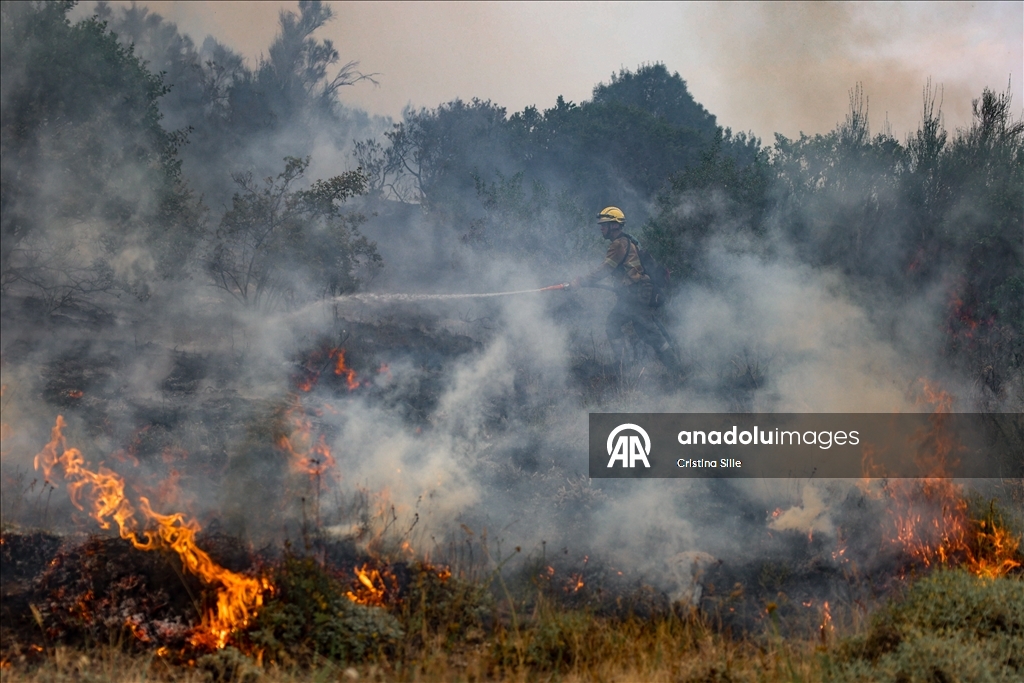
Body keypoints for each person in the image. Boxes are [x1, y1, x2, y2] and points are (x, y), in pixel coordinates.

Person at [571, 207, 682, 373]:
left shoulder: (619, 245)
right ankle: (625, 364)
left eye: (604, 224)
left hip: (636, 295)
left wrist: (581, 281)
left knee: (647, 331)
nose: (601, 227)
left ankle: (674, 370)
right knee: (630, 327)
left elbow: (605, 269)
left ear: (614, 226)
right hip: (633, 294)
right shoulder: (628, 241)